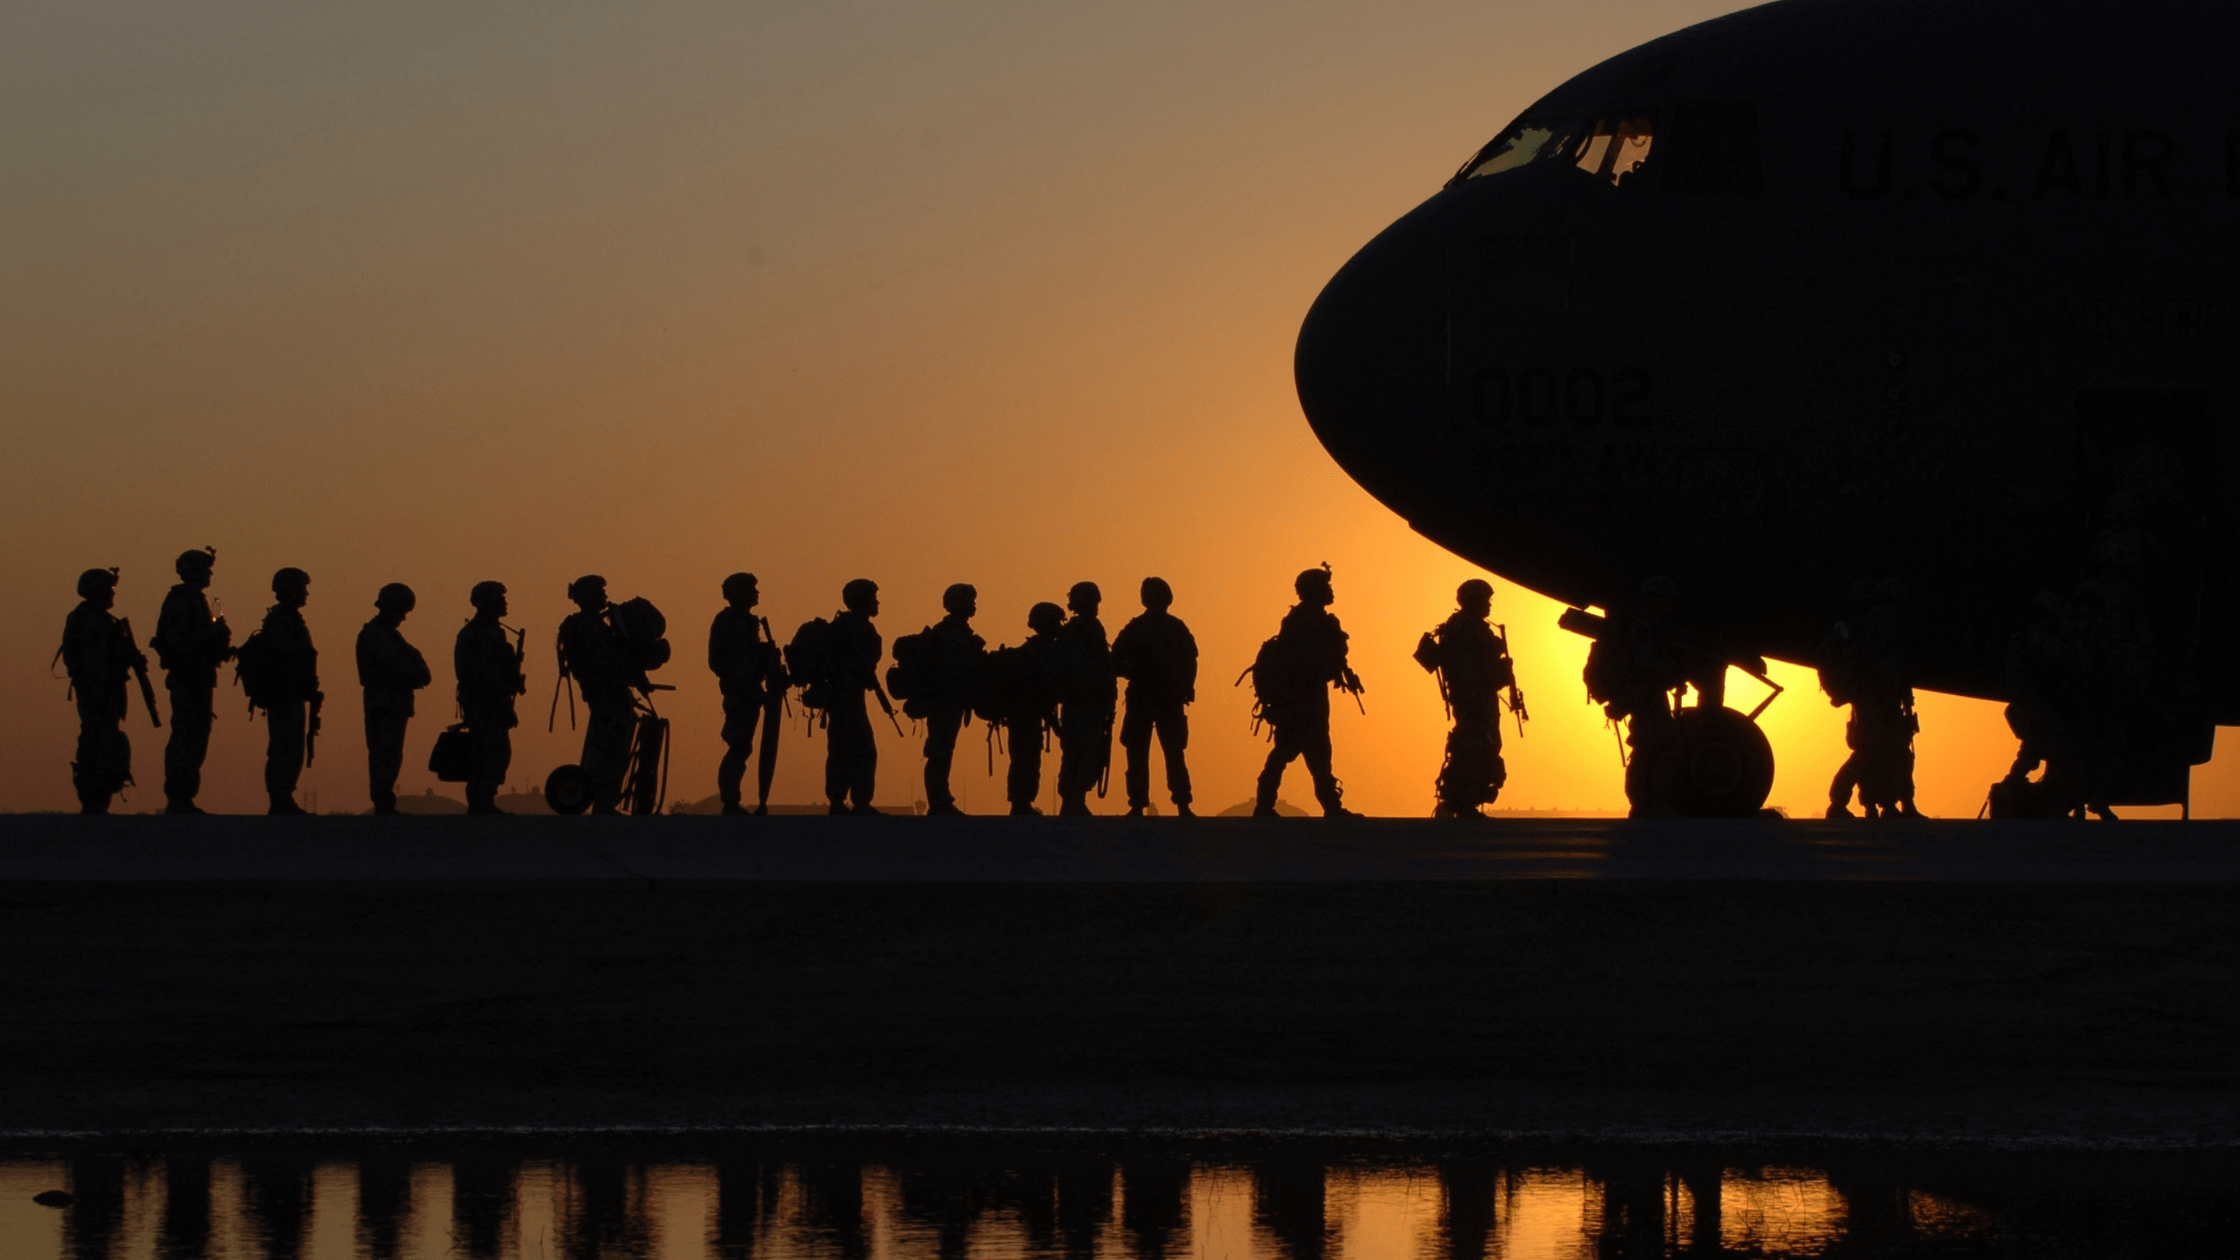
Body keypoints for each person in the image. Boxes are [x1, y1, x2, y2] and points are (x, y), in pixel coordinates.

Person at [1252, 567, 1361, 818]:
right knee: (1288, 751)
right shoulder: (1304, 621)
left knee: (1318, 754)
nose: (1330, 590)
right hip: (1300, 698)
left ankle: (1330, 806)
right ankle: (1265, 805)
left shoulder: (1313, 619)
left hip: (1309, 696)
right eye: (1325, 585)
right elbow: (1309, 659)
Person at [1584, 577, 1685, 818]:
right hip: (1644, 694)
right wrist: (1672, 673)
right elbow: (1646, 664)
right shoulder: (1642, 627)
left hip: (1642, 693)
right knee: (1659, 746)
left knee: (1648, 747)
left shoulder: (1639, 625)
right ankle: (1651, 804)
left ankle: (1645, 804)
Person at [1817, 581, 1919, 819]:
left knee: (1877, 754)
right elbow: (1891, 664)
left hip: (1869, 699)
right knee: (1885, 755)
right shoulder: (1883, 624)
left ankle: (1880, 804)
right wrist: (1896, 696)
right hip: (1880, 699)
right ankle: (1849, 803)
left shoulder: (1864, 625)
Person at [1418, 579, 1517, 819]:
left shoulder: (1469, 626)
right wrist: (1500, 671)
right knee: (1475, 746)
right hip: (1473, 698)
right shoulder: (1466, 628)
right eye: (1485, 600)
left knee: (1480, 745)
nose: (1489, 605)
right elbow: (1473, 669)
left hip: (1476, 697)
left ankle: (1464, 800)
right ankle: (1461, 801)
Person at [150, 547, 231, 814]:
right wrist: (211, 634)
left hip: (199, 676)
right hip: (188, 677)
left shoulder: (195, 600)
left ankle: (184, 796)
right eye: (205, 569)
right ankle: (178, 796)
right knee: (186, 736)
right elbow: (177, 642)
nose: (209, 574)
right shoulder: (181, 601)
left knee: (197, 737)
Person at [58, 568, 145, 814]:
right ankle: (93, 795)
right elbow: (89, 658)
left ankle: (100, 794)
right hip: (97, 689)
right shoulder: (88, 619)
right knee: (96, 738)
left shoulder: (102, 619)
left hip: (108, 688)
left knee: (105, 738)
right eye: (108, 590)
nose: (111, 595)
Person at [556, 575, 645, 814]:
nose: (605, 597)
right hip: (605, 695)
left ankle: (604, 802)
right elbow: (605, 663)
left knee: (611, 744)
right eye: (600, 592)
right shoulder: (589, 627)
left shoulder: (591, 624)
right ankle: (603, 803)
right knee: (611, 747)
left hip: (607, 694)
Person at [1111, 577, 1197, 818]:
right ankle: (1177, 804)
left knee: (1156, 753)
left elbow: (1115, 661)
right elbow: (1191, 661)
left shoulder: (1138, 628)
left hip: (1153, 698)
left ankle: (1146, 804)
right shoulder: (1174, 628)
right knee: (1165, 753)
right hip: (1158, 699)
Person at [707, 572, 788, 815]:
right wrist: (754, 690)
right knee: (739, 745)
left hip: (748, 689)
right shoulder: (732, 622)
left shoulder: (745, 621)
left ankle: (731, 800)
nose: (757, 593)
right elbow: (735, 662)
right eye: (752, 588)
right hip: (740, 691)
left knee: (742, 745)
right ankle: (730, 801)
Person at [356, 583, 432, 815]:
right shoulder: (375, 635)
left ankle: (385, 799)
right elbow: (401, 668)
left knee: (391, 754)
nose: (403, 617)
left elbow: (422, 672)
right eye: (401, 611)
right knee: (384, 753)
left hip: (393, 703)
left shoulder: (391, 636)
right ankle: (383, 801)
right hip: (384, 703)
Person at [254, 568, 322, 816]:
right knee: (285, 745)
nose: (305, 593)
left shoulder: (289, 618)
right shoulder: (282, 619)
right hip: (284, 692)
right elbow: (285, 651)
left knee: (291, 745)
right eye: (301, 588)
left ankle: (283, 796)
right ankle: (280, 797)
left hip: (292, 691)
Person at [455, 581, 526, 815]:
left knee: (485, 751)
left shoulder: (484, 632)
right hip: (486, 702)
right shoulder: (483, 634)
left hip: (484, 701)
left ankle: (481, 801)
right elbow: (488, 673)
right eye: (499, 598)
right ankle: (482, 802)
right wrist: (505, 695)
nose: (504, 602)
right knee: (493, 751)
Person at [919, 583, 985, 816]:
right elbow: (956, 668)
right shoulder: (950, 634)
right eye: (970, 600)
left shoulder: (958, 632)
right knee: (940, 750)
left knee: (943, 748)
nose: (973, 605)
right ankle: (939, 801)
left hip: (952, 700)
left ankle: (940, 799)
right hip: (945, 701)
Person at [824, 579, 887, 815]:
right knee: (862, 750)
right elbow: (863, 660)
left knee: (840, 750)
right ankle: (859, 801)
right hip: (847, 696)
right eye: (873, 596)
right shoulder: (856, 628)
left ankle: (838, 801)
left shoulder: (845, 626)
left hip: (845, 696)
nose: (877, 601)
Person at [1055, 581, 1117, 816]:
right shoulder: (1090, 629)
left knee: (1072, 750)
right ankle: (1076, 799)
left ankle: (1070, 799)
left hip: (1074, 703)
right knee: (1087, 749)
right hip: (1089, 702)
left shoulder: (1068, 632)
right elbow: (1102, 667)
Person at [1003, 602, 1067, 815]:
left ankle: (1020, 802)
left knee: (1024, 758)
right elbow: (1042, 689)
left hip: (1022, 714)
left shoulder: (1033, 649)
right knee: (1027, 759)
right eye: (1057, 622)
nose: (1060, 627)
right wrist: (1055, 724)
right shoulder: (1043, 650)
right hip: (1026, 714)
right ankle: (1021, 803)